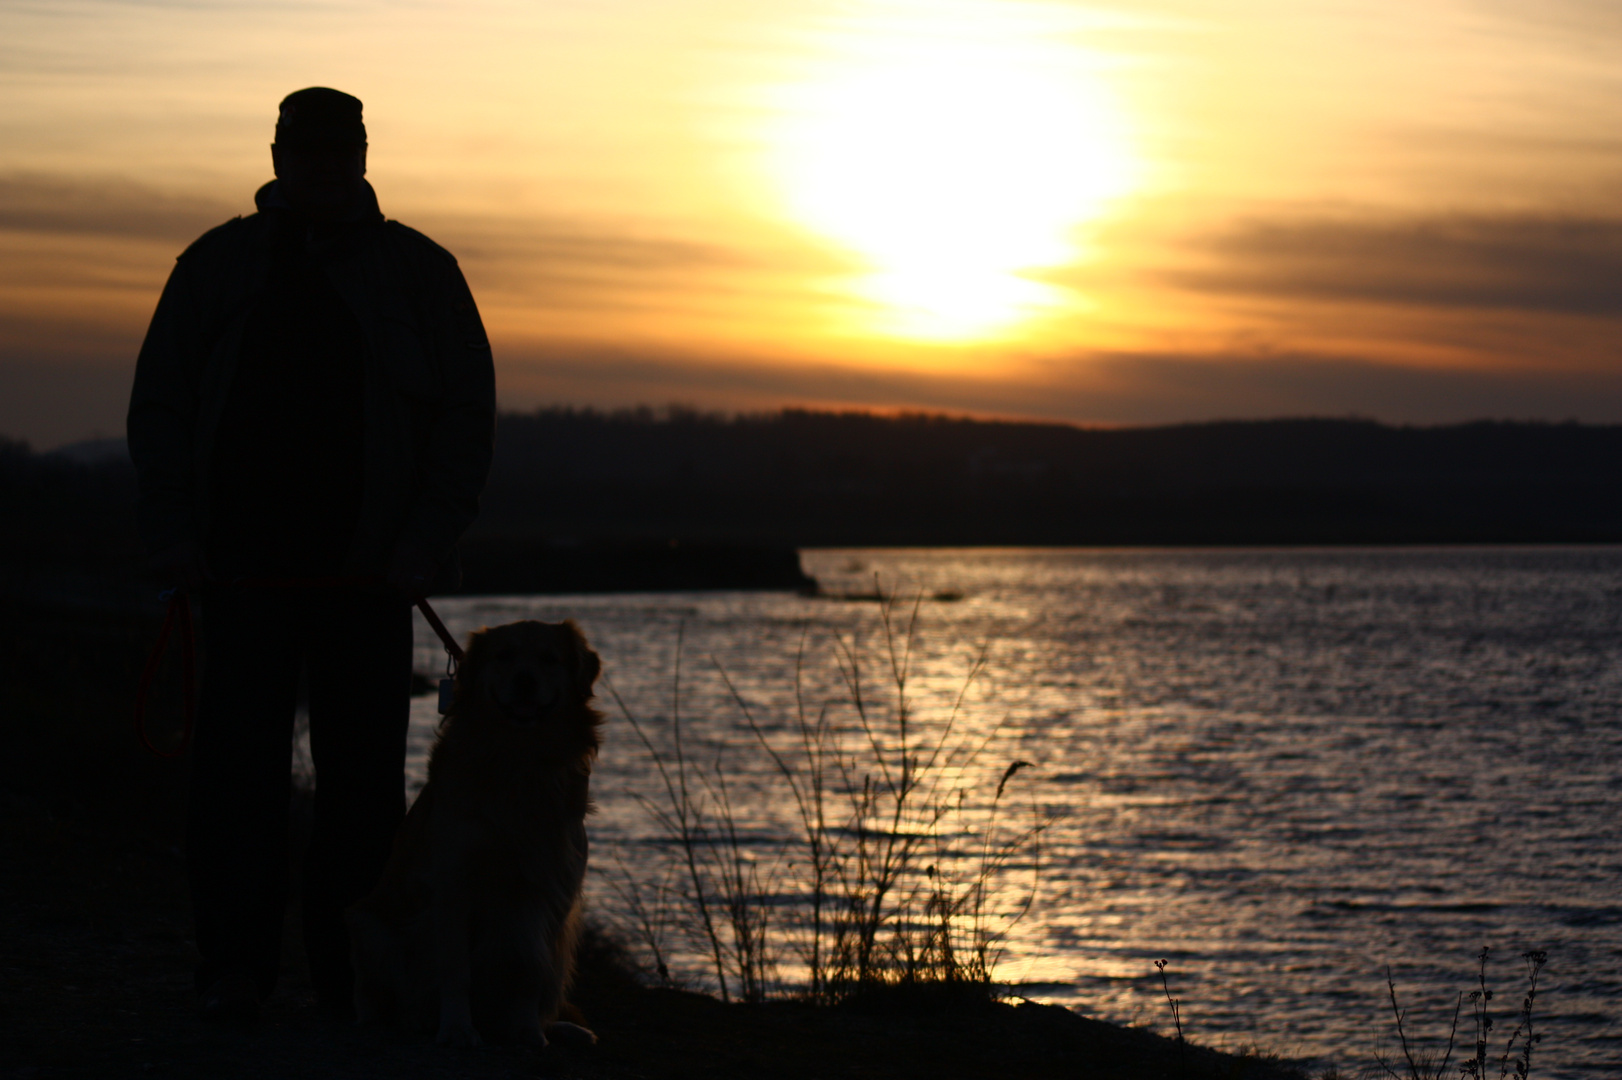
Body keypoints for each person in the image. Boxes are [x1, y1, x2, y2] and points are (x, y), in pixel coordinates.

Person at [126, 87, 496, 1025]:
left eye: (343, 151)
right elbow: (161, 408)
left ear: (365, 157)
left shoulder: (422, 272)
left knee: (365, 796)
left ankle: (353, 984)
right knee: (232, 787)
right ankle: (233, 974)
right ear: (281, 156)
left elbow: (466, 421)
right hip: (237, 577)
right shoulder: (215, 265)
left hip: (373, 582)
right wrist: (173, 532)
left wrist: (424, 543)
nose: (327, 167)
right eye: (310, 151)